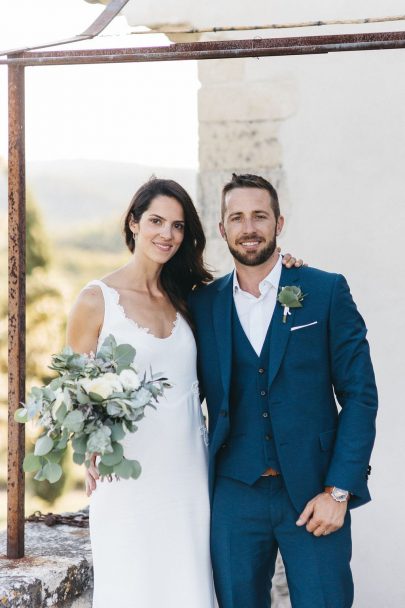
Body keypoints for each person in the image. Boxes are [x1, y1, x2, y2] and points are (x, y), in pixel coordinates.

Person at [67, 177, 302, 608]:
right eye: (156, 221)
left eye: (178, 226)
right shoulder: (95, 300)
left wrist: (287, 266)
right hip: (127, 477)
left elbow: (251, 295)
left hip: (190, 476)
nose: (167, 234)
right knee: (133, 585)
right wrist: (87, 451)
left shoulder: (192, 299)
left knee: (189, 588)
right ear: (134, 224)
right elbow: (72, 395)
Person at [188, 173, 378, 608]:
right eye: (237, 217)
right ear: (222, 229)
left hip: (315, 495)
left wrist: (339, 491)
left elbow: (361, 395)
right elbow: (179, 393)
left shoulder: (325, 290)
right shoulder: (202, 304)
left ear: (279, 222)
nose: (248, 227)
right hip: (234, 497)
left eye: (259, 215)